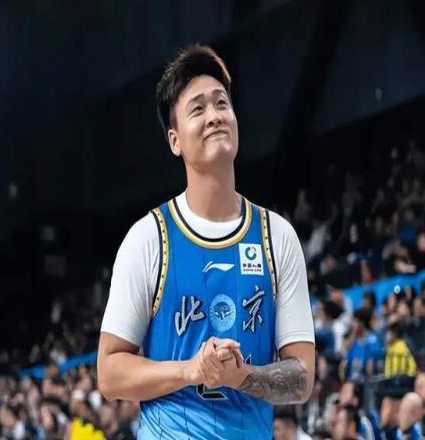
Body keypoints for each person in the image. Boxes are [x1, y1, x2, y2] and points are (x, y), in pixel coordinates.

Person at [97, 44, 315, 439]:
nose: (214, 115)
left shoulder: (277, 237)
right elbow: (109, 373)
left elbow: (302, 378)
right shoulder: (148, 238)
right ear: (175, 140)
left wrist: (240, 376)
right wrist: (191, 370)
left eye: (221, 103)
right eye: (197, 109)